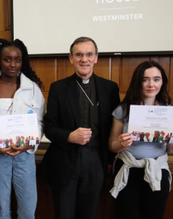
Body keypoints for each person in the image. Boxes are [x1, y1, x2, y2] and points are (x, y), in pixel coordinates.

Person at [41, 36, 120, 219]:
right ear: (71, 58)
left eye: (89, 54)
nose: (84, 59)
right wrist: (69, 136)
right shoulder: (58, 88)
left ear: (96, 58)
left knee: (89, 213)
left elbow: (115, 127)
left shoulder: (109, 88)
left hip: (96, 162)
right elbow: (50, 128)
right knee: (64, 214)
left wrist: (110, 160)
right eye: (79, 55)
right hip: (65, 161)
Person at [0, 38, 45, 219]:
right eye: (7, 59)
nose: (13, 64)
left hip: (24, 156)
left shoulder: (32, 89)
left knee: (28, 210)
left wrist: (29, 144)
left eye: (17, 59)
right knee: (1, 209)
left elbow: (40, 122)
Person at [108, 60, 173, 219]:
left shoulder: (170, 112)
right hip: (128, 168)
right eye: (145, 79)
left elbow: (169, 147)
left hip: (157, 168)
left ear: (162, 82)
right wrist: (121, 144)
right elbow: (111, 145)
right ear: (138, 82)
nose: (151, 84)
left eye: (156, 79)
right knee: (125, 214)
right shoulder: (122, 109)